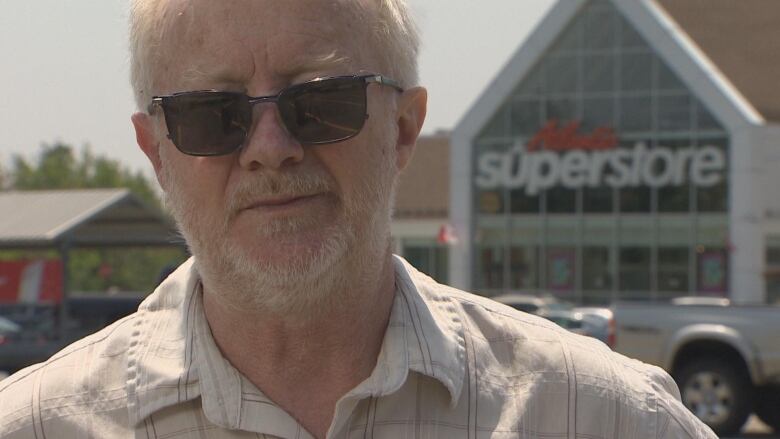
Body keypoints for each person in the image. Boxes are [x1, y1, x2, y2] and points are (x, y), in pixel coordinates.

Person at [0, 1, 717, 438]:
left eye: (321, 101)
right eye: (211, 115)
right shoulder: (38, 425)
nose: (270, 149)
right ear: (156, 152)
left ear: (404, 128)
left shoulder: (604, 419)